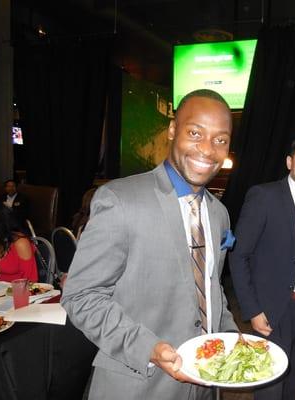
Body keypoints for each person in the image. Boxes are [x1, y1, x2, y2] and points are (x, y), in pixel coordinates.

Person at [61, 89, 238, 400]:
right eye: (195, 132)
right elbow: (81, 297)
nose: (208, 149)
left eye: (220, 139)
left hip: (205, 385)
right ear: (172, 130)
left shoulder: (219, 213)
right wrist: (150, 349)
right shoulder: (121, 200)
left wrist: (232, 337)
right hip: (138, 384)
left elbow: (210, 286)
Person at [229, 135, 295, 400]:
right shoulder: (265, 196)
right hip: (275, 310)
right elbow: (239, 255)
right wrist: (252, 309)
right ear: (289, 162)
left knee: (293, 381)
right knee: (269, 385)